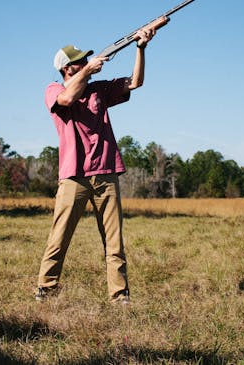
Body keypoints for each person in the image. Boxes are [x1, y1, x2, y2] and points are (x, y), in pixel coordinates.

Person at [36, 27, 156, 304]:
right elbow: (66, 99)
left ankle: (119, 295)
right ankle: (46, 288)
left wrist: (141, 47)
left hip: (106, 173)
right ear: (67, 68)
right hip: (73, 177)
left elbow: (135, 82)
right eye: (80, 61)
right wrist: (88, 71)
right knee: (59, 237)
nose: (87, 62)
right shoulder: (53, 89)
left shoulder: (98, 89)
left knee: (114, 242)